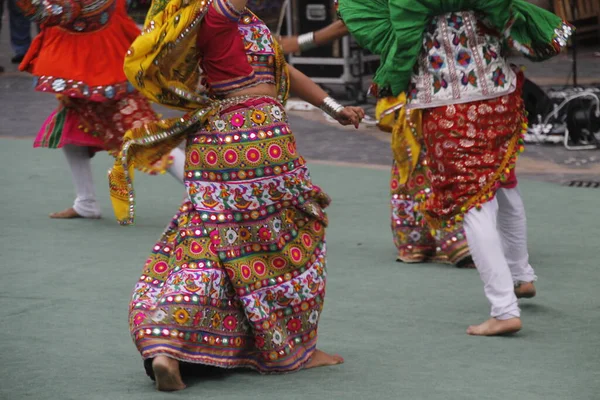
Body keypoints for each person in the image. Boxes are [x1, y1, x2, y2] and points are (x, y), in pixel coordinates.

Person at [111, 0, 364, 391]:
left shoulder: (233, 21)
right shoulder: (214, 14)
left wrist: (334, 108)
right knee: (289, 244)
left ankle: (166, 345)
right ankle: (295, 348)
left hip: (215, 147)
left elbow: (284, 67)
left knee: (209, 247)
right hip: (258, 139)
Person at [338, 0, 572, 335]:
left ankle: (504, 310)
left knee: (474, 206)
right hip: (500, 95)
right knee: (503, 185)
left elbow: (400, 42)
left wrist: (389, 81)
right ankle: (522, 276)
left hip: (449, 106)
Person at [278, 19, 472, 267]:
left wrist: (298, 44)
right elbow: (350, 18)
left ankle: (416, 240)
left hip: (424, 72)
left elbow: (350, 19)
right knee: (431, 150)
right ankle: (449, 234)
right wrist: (298, 43)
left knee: (415, 149)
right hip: (433, 73)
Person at [15, 0, 186, 219]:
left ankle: (206, 194)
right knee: (73, 129)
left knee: (144, 134)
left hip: (102, 67)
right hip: (87, 64)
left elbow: (59, 12)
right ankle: (85, 202)